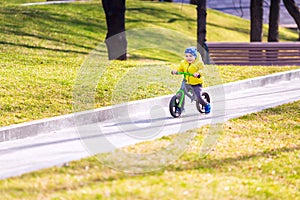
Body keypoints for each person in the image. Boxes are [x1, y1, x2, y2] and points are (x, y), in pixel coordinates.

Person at [171, 47, 211, 113]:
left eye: (191, 56)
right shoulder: (183, 63)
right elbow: (180, 69)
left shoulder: (198, 63)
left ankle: (206, 104)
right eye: (186, 56)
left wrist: (198, 73)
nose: (188, 58)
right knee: (181, 93)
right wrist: (176, 71)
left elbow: (203, 70)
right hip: (186, 81)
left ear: (195, 56)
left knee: (198, 97)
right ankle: (180, 107)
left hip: (196, 83)